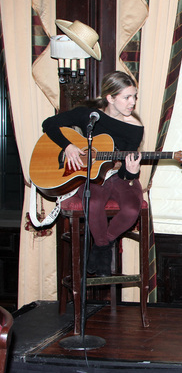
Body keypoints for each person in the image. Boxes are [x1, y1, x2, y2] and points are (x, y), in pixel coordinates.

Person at [42, 71, 144, 277]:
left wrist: (131, 172)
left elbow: (125, 173)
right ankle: (105, 254)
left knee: (132, 210)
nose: (132, 102)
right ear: (110, 98)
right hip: (90, 176)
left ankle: (100, 248)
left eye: (134, 96)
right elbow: (48, 124)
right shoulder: (89, 115)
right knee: (94, 202)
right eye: (127, 97)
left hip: (116, 176)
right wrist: (68, 146)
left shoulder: (135, 128)